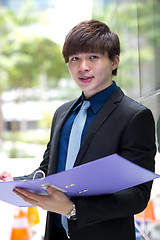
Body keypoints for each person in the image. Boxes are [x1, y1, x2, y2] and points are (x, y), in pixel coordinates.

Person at [0, 20, 156, 240]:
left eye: (93, 57)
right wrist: (14, 182)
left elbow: (137, 196)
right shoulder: (63, 113)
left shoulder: (134, 116)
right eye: (75, 59)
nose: (82, 67)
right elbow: (47, 169)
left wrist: (72, 209)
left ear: (114, 61)